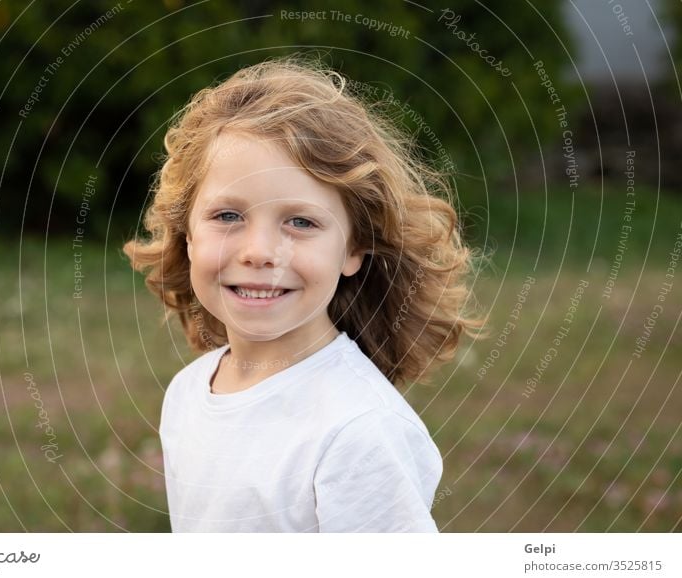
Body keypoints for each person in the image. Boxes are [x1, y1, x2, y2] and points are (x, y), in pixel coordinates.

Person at [123, 55, 487, 532]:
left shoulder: (358, 433)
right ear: (186, 233)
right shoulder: (188, 392)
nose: (259, 252)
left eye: (301, 222)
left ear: (353, 248)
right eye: (228, 216)